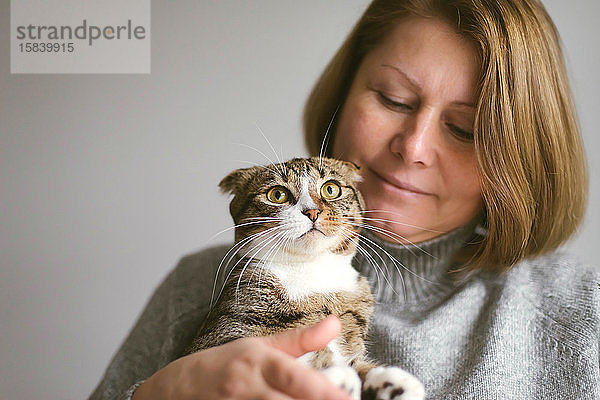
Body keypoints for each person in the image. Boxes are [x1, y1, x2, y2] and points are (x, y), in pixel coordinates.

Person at [89, 0, 599, 399]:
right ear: (343, 94)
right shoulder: (203, 285)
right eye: (394, 100)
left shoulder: (583, 314)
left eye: (464, 129)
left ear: (520, 156)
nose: (413, 148)